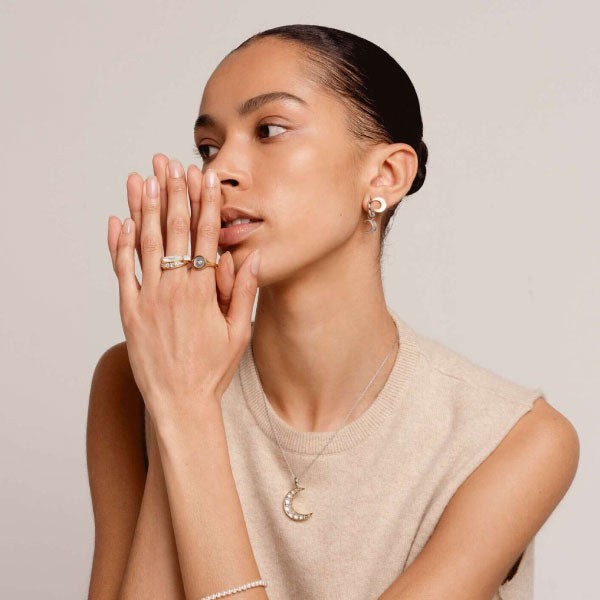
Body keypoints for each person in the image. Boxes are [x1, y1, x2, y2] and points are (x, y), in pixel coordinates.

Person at [87, 25, 579, 600]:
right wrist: (177, 401)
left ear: (385, 176)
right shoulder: (134, 380)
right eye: (208, 147)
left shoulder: (510, 439)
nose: (218, 174)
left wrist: (188, 410)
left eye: (269, 130)